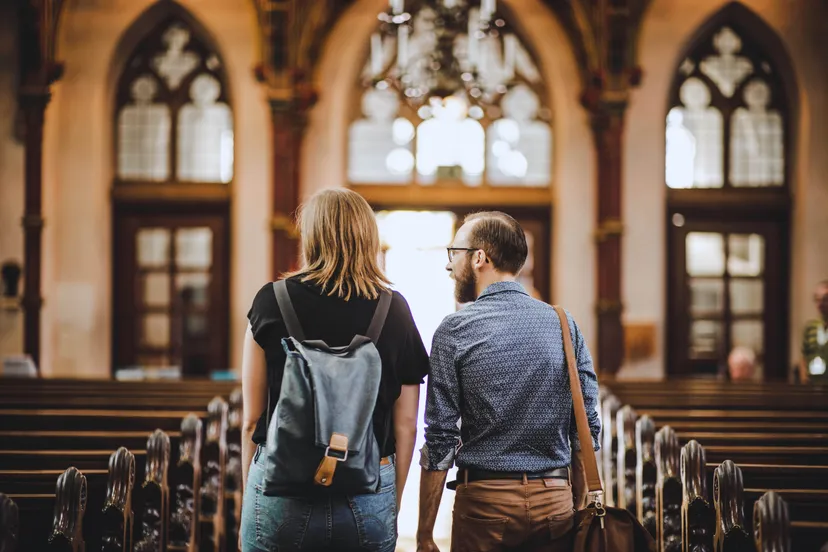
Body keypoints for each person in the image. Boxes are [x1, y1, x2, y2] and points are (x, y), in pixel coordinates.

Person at [239, 188, 429, 552]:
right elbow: (407, 425)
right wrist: (391, 502)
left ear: (311, 236)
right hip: (367, 489)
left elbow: (251, 421)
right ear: (368, 236)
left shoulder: (271, 300)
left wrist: (253, 502)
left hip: (281, 488)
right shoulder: (394, 310)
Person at [416, 211, 601, 552]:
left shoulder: (455, 330)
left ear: (479, 258)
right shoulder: (563, 324)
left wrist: (425, 533)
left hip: (484, 505)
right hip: (554, 501)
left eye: (454, 252)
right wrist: (575, 503)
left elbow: (441, 437)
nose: (449, 264)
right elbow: (585, 425)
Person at [800, 280, 828, 384]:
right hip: (813, 382)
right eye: (817, 299)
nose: (820, 304)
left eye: (825, 299)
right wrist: (804, 379)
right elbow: (804, 356)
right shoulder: (810, 327)